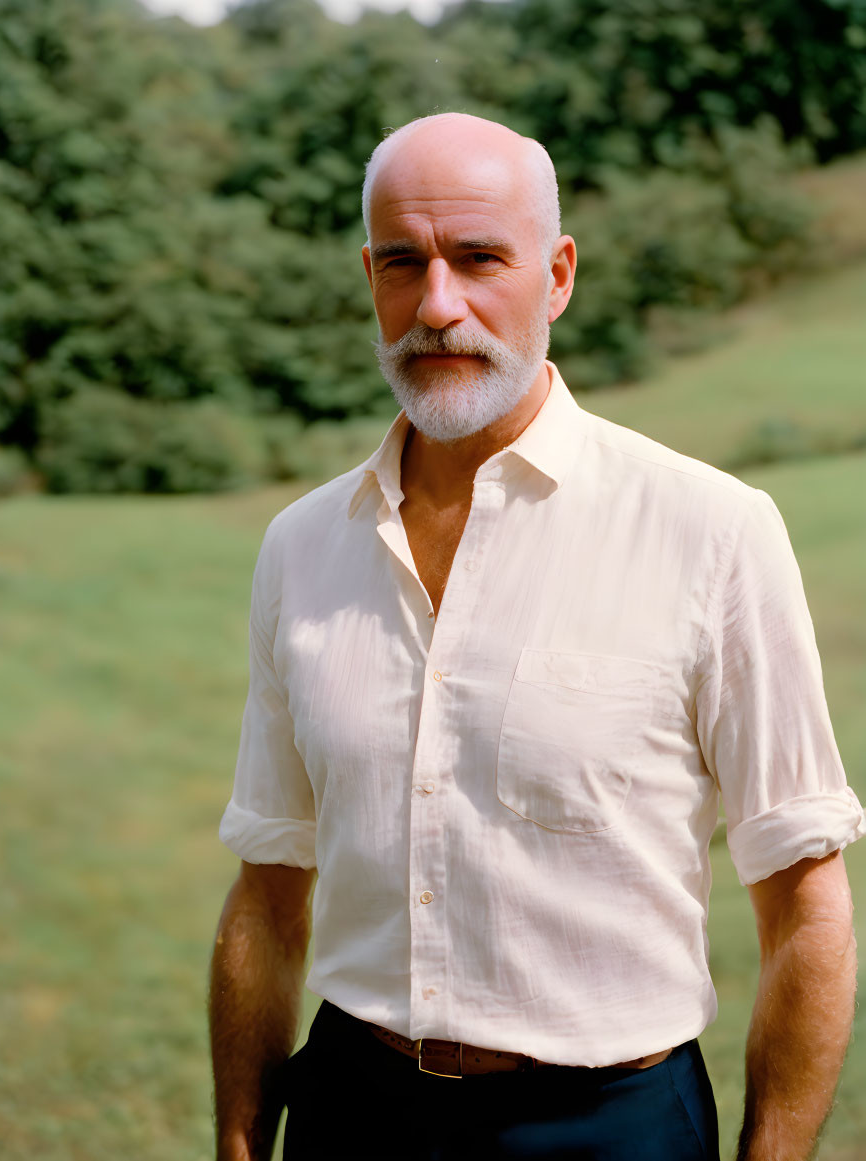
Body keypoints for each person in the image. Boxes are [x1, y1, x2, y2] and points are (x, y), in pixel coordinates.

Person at [209, 113, 865, 1161]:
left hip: (612, 1127)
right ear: (366, 277)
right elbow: (268, 889)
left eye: (478, 260)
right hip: (350, 1112)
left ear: (557, 276)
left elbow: (806, 908)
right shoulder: (300, 547)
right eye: (401, 263)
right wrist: (240, 1142)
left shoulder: (712, 531)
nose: (437, 306)